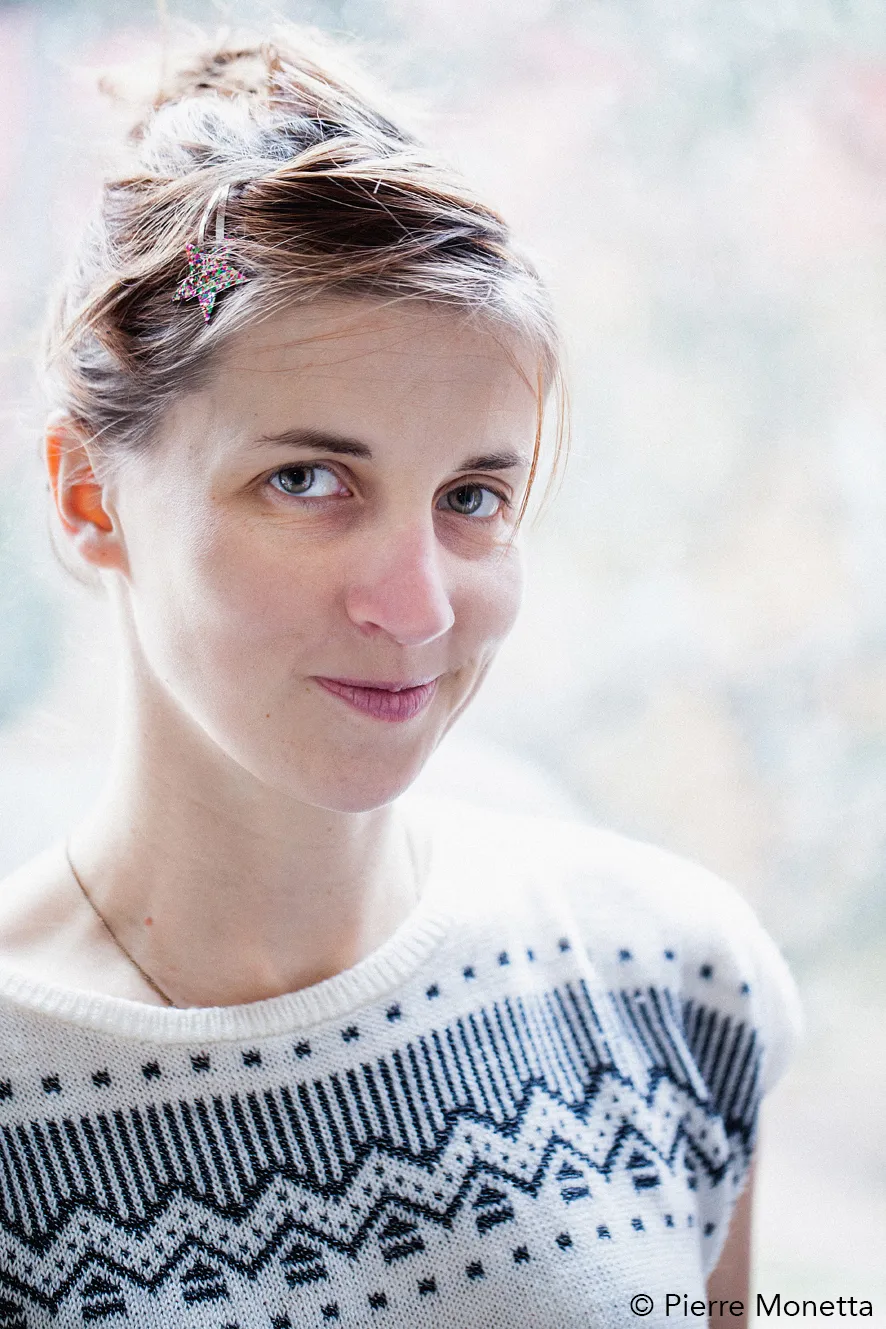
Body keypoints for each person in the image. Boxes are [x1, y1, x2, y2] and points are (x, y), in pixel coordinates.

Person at [0, 26, 802, 1329]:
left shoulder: (667, 979)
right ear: (90, 494)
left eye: (472, 496)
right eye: (307, 480)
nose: (418, 607)